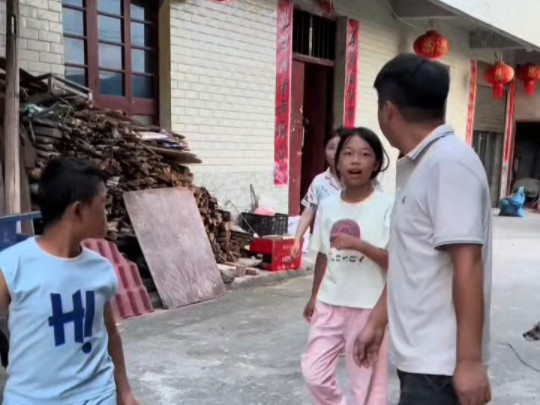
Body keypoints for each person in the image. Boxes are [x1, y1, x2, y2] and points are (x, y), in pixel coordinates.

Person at [354, 53, 492, 405]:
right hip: (421, 360)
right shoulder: (421, 164)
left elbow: (467, 263)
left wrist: (470, 362)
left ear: (388, 110)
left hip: (440, 368)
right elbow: (411, 260)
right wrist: (377, 320)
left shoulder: (448, 165)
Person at [0, 158, 139, 405]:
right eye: (102, 204)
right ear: (77, 210)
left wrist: (124, 392)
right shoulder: (10, 267)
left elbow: (110, 333)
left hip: (98, 397)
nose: (106, 214)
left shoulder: (100, 268)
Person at [301, 127, 393, 405]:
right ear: (336, 161)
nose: (355, 161)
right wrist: (314, 296)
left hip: (370, 307)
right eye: (348, 154)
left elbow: (398, 264)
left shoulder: (388, 207)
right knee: (313, 373)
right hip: (329, 303)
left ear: (376, 163)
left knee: (367, 388)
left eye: (365, 155)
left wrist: (359, 245)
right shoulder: (327, 206)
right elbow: (323, 255)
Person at [292, 132, 341, 259]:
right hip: (325, 249)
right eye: (331, 148)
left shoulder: (359, 180)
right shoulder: (319, 181)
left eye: (340, 147)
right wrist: (297, 239)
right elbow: (308, 212)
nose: (335, 153)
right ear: (324, 151)